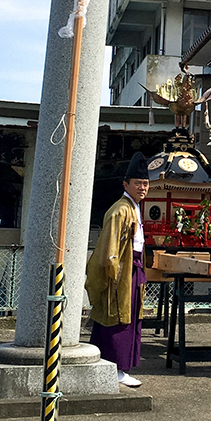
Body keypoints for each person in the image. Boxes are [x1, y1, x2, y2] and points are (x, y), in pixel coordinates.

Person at [86, 153, 149, 388]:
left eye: (145, 183)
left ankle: (116, 367)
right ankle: (115, 368)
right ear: (126, 184)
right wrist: (113, 276)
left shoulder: (133, 207)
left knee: (129, 319)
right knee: (118, 318)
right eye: (138, 183)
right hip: (121, 273)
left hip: (133, 269)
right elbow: (109, 247)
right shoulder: (120, 210)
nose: (142, 188)